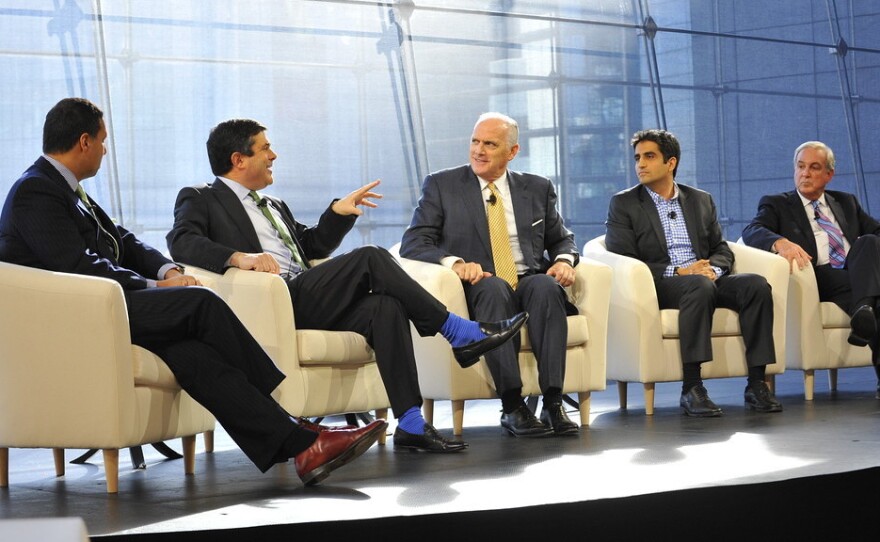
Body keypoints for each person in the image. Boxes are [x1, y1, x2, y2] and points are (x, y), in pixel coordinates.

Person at [0, 97, 388, 487]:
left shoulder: (69, 191)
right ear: (83, 141)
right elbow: (76, 266)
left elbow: (126, 243)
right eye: (102, 140)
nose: (104, 149)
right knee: (200, 302)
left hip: (107, 307)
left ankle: (304, 448)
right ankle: (285, 402)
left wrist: (169, 268)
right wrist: (156, 285)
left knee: (193, 356)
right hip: (78, 316)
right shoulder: (37, 191)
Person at [166, 118, 527, 453]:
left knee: (386, 307)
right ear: (238, 159)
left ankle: (411, 424)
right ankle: (456, 331)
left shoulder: (273, 204)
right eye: (264, 148)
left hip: (302, 292)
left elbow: (311, 248)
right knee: (370, 256)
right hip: (270, 300)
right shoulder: (201, 197)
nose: (273, 155)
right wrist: (238, 257)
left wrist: (337, 214)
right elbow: (182, 241)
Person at [399, 112, 580, 438]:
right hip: (479, 282)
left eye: (490, 144)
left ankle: (554, 401)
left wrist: (564, 261)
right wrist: (454, 262)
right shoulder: (443, 185)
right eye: (475, 142)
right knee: (495, 288)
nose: (478, 151)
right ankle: (512, 405)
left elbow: (561, 238)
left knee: (545, 286)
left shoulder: (537, 188)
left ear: (511, 152)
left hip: (526, 278)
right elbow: (414, 242)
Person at [604, 128, 783, 416]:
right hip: (659, 284)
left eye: (649, 156)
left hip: (704, 279)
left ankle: (756, 383)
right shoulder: (624, 203)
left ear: (670, 162)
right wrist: (679, 271)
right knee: (698, 286)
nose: (641, 164)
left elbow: (721, 249)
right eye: (638, 157)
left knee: (756, 285)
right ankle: (692, 387)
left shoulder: (700, 200)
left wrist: (712, 269)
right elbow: (622, 260)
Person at [742, 141, 880, 398]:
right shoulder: (777, 204)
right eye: (800, 166)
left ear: (829, 174)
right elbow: (751, 231)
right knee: (876, 295)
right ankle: (867, 307)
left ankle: (865, 311)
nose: (805, 173)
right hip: (818, 275)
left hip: (854, 272)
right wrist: (780, 242)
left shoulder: (846, 202)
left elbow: (876, 231)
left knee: (870, 242)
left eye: (814, 167)